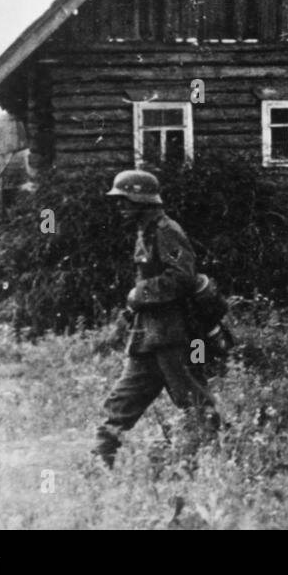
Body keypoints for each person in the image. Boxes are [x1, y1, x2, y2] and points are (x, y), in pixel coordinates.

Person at [91, 169, 219, 467]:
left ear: (141, 200)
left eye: (124, 201)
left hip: (174, 336)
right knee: (124, 398)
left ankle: (217, 459)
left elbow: (182, 277)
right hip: (148, 336)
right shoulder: (145, 231)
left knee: (194, 399)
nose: (119, 207)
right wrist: (133, 307)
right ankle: (100, 458)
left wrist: (140, 293)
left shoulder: (165, 229)